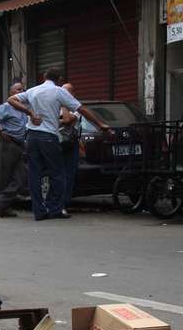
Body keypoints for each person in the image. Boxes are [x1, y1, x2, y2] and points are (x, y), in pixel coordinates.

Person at [8, 69, 111, 220]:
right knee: (58, 174)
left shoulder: (33, 90)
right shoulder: (58, 92)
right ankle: (54, 208)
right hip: (48, 136)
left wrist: (30, 113)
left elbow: (11, 99)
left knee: (34, 174)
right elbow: (81, 109)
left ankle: (39, 211)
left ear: (44, 77)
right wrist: (100, 124)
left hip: (31, 136)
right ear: (59, 79)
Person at [0, 82, 27, 217]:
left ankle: (0, 200)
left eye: (23, 89)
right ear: (11, 93)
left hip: (19, 145)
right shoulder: (7, 107)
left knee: (21, 177)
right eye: (18, 89)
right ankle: (4, 207)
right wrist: (0, 133)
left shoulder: (24, 108)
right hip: (7, 143)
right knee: (5, 177)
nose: (21, 91)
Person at [59, 83, 81, 211]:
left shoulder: (75, 106)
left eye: (65, 93)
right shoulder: (56, 106)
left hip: (70, 143)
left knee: (68, 174)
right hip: (56, 142)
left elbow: (67, 120)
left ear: (72, 94)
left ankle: (64, 203)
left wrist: (63, 105)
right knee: (57, 173)